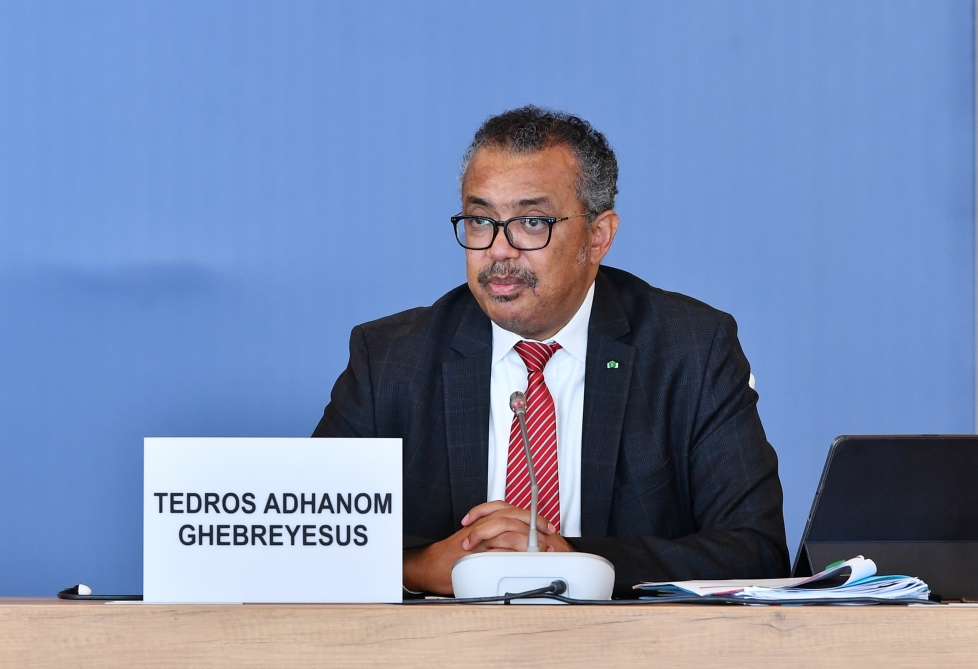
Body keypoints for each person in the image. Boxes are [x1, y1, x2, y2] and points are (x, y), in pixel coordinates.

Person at [313, 106, 789, 597]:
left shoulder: (690, 348)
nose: (499, 250)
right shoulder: (391, 359)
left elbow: (756, 551)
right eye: (480, 220)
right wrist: (418, 568)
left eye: (532, 222)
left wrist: (572, 562)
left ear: (598, 237)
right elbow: (307, 543)